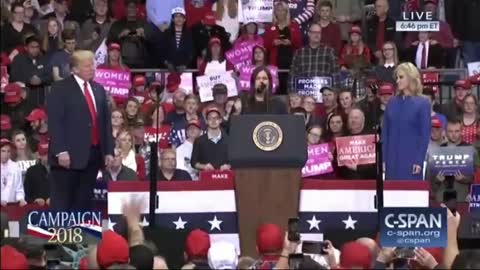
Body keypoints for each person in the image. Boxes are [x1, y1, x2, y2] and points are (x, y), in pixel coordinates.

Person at [46, 50, 114, 210]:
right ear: (74, 69)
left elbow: (105, 123)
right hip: (67, 158)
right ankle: (60, 234)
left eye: (93, 65)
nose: (92, 68)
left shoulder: (98, 89)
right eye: (87, 66)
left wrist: (108, 151)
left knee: (83, 202)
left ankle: (82, 234)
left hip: (93, 155)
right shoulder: (60, 88)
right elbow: (55, 122)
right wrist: (60, 151)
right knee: (63, 202)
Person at [382, 62, 431, 180]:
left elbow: (424, 135)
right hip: (391, 159)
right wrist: (383, 159)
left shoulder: (423, 103)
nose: (397, 80)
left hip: (411, 159)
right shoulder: (392, 103)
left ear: (411, 78)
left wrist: (419, 160)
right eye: (397, 78)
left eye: (401, 77)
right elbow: (385, 133)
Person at [430, 118, 479, 202]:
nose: (454, 134)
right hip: (441, 198)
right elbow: (430, 180)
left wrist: (465, 179)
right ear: (445, 132)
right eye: (450, 131)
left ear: (461, 131)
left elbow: (477, 177)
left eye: (457, 131)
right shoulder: (437, 151)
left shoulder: (471, 150)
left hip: (462, 198)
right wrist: (437, 180)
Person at [288, 22, 339, 92]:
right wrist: (292, 93)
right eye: (314, 32)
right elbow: (292, 75)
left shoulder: (329, 52)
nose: (317, 35)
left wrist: (335, 93)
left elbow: (336, 74)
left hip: (325, 96)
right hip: (303, 96)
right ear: (309, 34)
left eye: (319, 32)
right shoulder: (299, 53)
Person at [1, 138, 26, 207]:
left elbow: (19, 188)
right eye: (3, 151)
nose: (6, 154)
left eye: (8, 151)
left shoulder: (15, 167)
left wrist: (21, 199)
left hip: (13, 206)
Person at [24, 141, 50, 206]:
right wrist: (35, 200)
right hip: (37, 209)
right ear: (39, 155)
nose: (48, 156)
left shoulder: (61, 170)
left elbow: (67, 192)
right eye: (45, 154)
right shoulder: (31, 171)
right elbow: (26, 194)